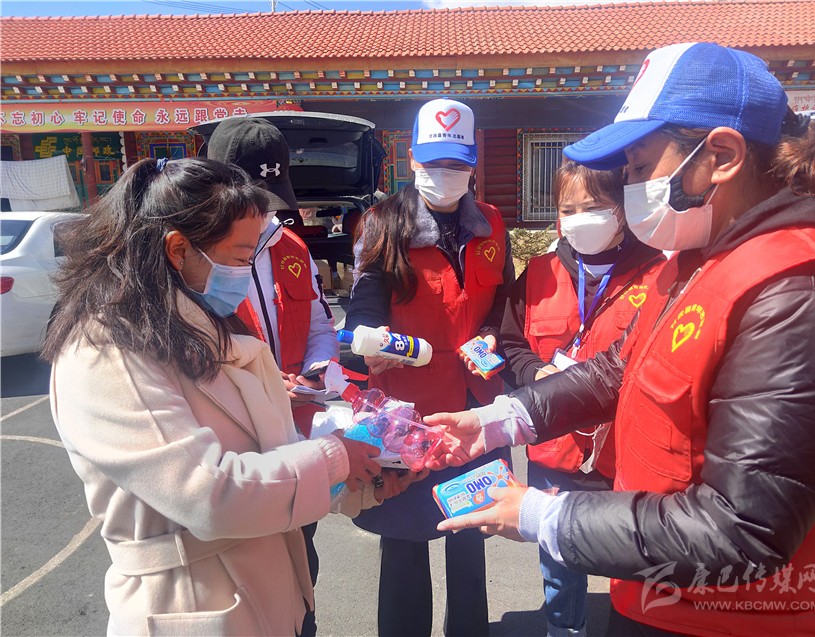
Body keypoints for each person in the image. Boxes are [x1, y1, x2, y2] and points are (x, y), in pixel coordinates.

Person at [425, 42, 815, 636]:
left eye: (639, 167)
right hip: (662, 594)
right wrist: (500, 421)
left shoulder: (797, 293)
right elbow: (619, 368)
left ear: (722, 156)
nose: (629, 187)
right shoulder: (700, 260)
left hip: (737, 619)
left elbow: (744, 529)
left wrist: (544, 516)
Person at [42, 157, 419, 637]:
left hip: (272, 593)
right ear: (178, 249)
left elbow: (269, 455)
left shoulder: (202, 324)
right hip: (192, 604)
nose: (246, 273)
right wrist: (336, 459)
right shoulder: (107, 352)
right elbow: (209, 494)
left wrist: (358, 483)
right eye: (241, 259)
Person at [345, 98, 516, 637]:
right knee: (404, 544)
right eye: (434, 163)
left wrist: (491, 336)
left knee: (470, 539)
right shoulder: (382, 225)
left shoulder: (491, 224)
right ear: (413, 160)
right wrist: (371, 343)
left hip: (473, 411)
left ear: (472, 165)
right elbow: (363, 313)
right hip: (406, 417)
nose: (445, 175)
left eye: (456, 165)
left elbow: (505, 302)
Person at [500, 161, 663, 636]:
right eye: (567, 209)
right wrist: (537, 373)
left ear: (621, 209)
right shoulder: (538, 274)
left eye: (592, 207)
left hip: (624, 455)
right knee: (558, 568)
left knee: (632, 567)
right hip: (554, 451)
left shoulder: (661, 273)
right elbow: (510, 343)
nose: (578, 219)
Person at [204, 117, 344, 635]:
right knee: (244, 580)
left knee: (303, 561)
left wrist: (316, 372)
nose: (263, 215)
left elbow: (321, 325)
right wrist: (263, 388)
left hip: (293, 437)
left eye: (269, 201)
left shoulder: (293, 249)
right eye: (251, 202)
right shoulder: (193, 261)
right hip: (234, 453)